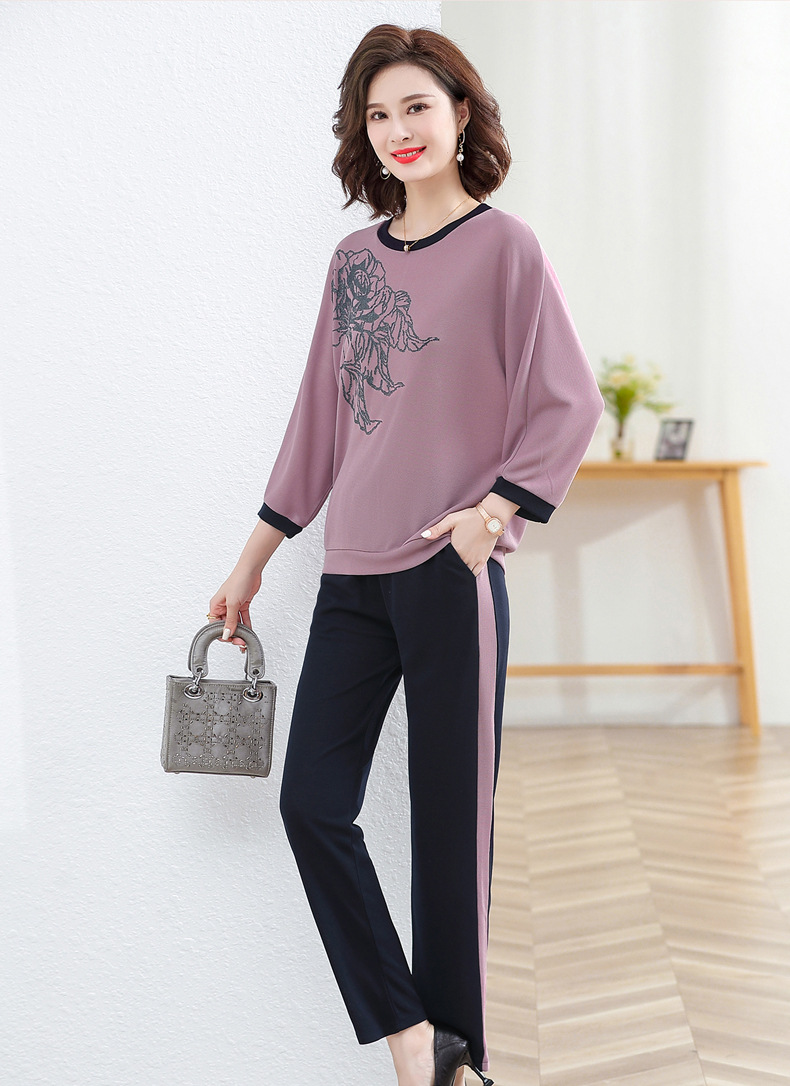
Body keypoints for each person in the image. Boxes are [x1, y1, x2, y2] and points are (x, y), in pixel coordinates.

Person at [208, 23, 604, 1086]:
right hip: (350, 576)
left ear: (460, 114)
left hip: (449, 576)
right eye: (378, 115)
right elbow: (318, 423)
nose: (398, 131)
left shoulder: (506, 249)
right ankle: (417, 1040)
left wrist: (492, 513)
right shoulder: (353, 263)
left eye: (416, 107)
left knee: (449, 836)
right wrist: (253, 560)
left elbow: (570, 401)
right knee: (311, 805)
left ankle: (460, 1067)